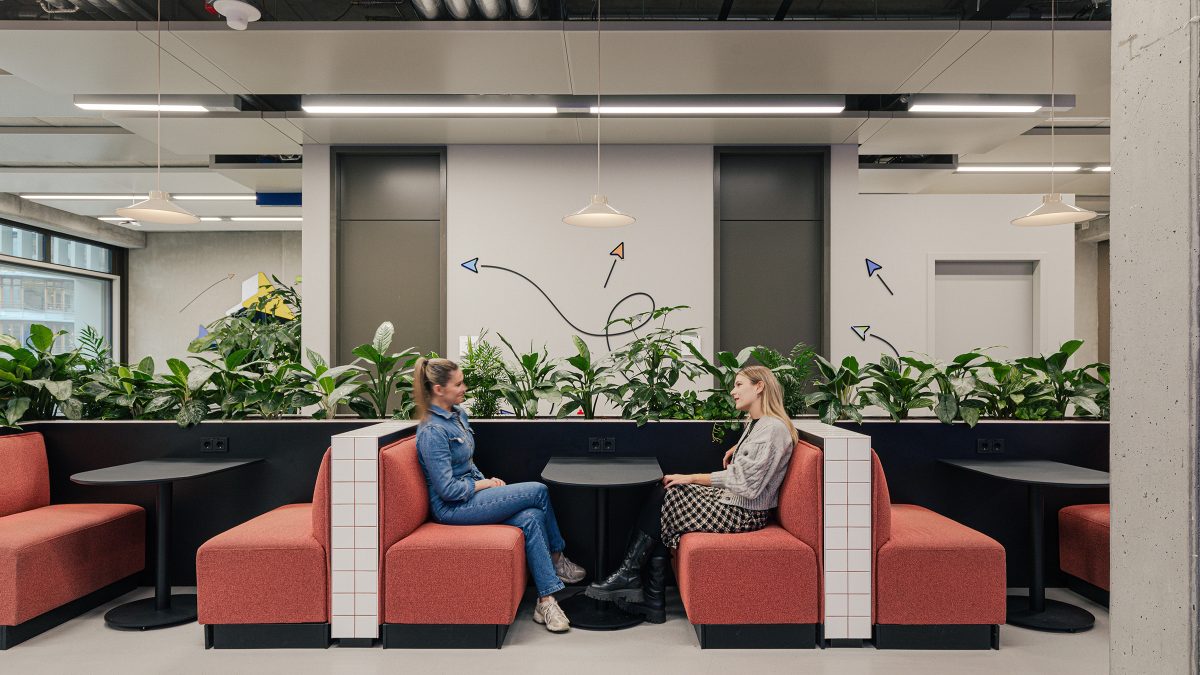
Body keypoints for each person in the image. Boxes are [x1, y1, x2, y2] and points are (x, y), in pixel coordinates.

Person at [585, 365, 799, 624]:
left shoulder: (772, 430)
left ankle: (635, 581)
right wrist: (738, 448)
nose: (733, 391)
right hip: (736, 504)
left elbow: (747, 486)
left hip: (744, 513)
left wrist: (693, 477)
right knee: (666, 492)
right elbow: (755, 462)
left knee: (669, 496)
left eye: (739, 384)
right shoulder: (759, 425)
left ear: (759, 386)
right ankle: (645, 594)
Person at [412, 356, 586, 633]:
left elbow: (468, 464)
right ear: (438, 389)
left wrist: (486, 480)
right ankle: (556, 559)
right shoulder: (432, 431)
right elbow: (447, 491)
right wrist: (484, 486)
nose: (464, 388)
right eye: (458, 384)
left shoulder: (459, 416)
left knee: (530, 517)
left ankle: (546, 600)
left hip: (471, 497)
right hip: (453, 508)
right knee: (538, 491)